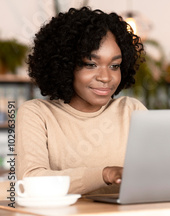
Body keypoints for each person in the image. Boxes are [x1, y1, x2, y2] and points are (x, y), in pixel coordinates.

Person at [16, 7, 146, 195]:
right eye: (91, 64)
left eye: (114, 65)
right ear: (65, 66)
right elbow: (32, 181)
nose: (106, 77)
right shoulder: (36, 113)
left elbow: (158, 173)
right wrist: (105, 174)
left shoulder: (131, 110)